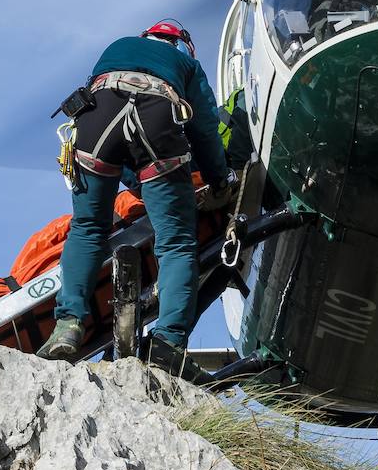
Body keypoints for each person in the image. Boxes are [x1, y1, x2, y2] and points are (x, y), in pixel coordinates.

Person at [37, 20, 234, 380]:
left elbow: (120, 151)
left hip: (97, 116)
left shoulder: (117, 46)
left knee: (87, 227)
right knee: (176, 243)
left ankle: (67, 327)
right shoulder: (186, 64)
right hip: (158, 116)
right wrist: (219, 180)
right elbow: (204, 128)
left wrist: (137, 184)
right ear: (181, 45)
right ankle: (168, 345)